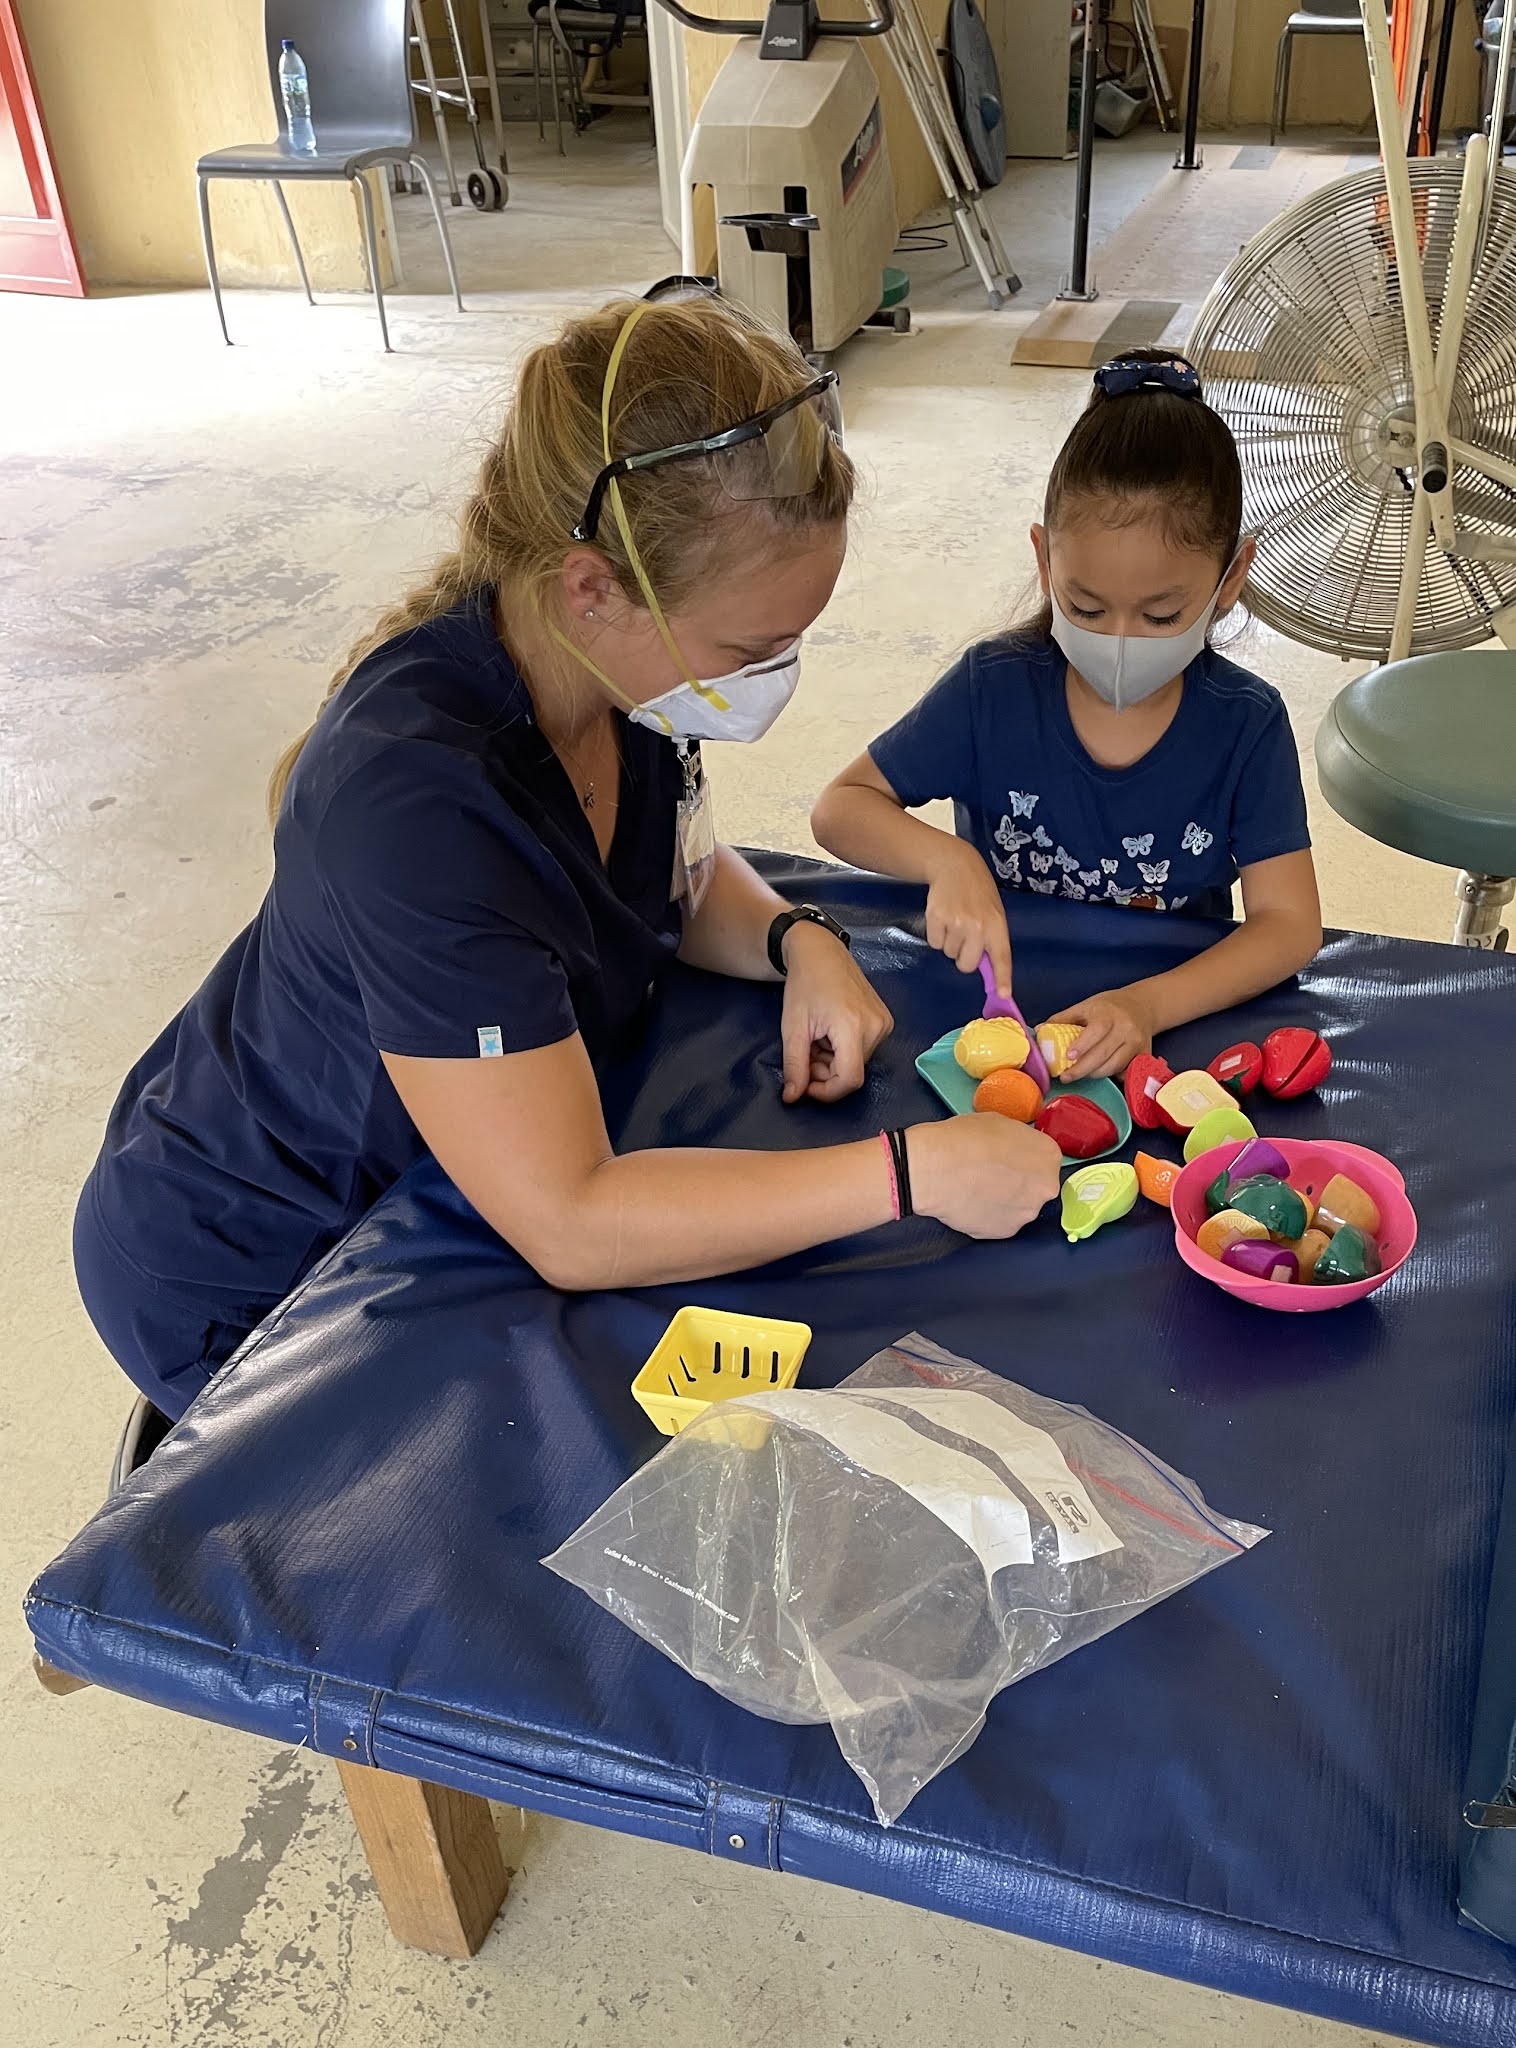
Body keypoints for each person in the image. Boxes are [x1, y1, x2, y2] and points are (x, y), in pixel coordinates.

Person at [75, 287, 1061, 1424]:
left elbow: (672, 872)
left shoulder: (609, 678)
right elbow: (573, 1220)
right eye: (753, 647)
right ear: (592, 587)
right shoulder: (419, 805)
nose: (773, 677)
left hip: (449, 1194)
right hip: (274, 1267)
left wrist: (800, 938)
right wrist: (911, 1171)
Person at [811, 350, 1323, 1081]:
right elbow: (841, 808)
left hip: (1166, 1018)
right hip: (997, 1008)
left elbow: (1290, 926)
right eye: (1084, 607)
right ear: (1044, 561)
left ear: (1231, 577)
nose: (1117, 641)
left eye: (1161, 614)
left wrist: (1147, 1007)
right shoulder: (993, 689)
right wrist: (946, 860)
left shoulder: (1246, 726)